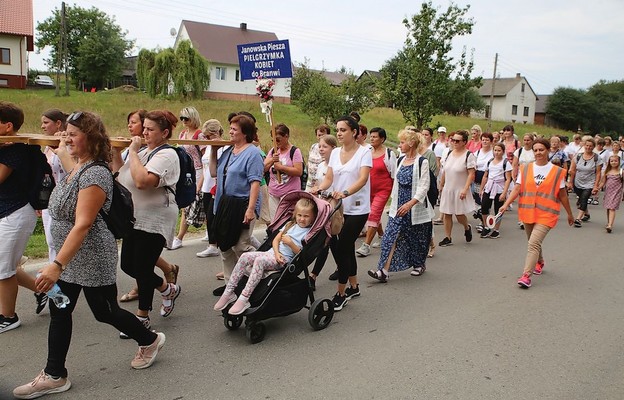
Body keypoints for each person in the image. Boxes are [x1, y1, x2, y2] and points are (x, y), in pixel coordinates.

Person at [13, 111, 166, 399]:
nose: (67, 137)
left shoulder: (95, 174)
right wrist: (62, 142)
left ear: (91, 138)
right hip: (70, 259)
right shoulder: (78, 165)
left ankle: (150, 340)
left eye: (74, 133)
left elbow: (83, 224)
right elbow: (64, 150)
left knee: (105, 312)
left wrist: (56, 264)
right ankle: (55, 374)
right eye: (65, 132)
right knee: (60, 309)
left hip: (91, 257)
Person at [115, 110, 182, 333]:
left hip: (156, 218)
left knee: (143, 268)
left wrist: (132, 151)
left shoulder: (167, 155)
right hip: (134, 217)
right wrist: (117, 153)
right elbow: (121, 175)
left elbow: (143, 181)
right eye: (144, 128)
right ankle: (166, 289)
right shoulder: (143, 151)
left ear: (164, 133)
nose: (144, 133)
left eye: (150, 129)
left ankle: (142, 317)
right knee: (127, 265)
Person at [213, 197, 317, 314]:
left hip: (284, 260)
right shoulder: (290, 225)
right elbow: (276, 240)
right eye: (299, 215)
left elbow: (302, 254)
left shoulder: (309, 233)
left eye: (306, 216)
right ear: (295, 215)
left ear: (313, 217)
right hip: (272, 254)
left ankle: (244, 298)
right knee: (244, 257)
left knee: (259, 261)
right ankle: (229, 291)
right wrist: (276, 253)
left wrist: (290, 244)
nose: (302, 219)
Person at [499, 138, 574, 289]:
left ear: (548, 150)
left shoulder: (557, 171)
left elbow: (563, 195)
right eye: (536, 150)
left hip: (546, 214)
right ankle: (539, 262)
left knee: (533, 243)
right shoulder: (525, 168)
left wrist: (570, 214)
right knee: (532, 241)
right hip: (528, 212)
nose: (538, 153)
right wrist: (505, 205)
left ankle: (526, 276)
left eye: (541, 150)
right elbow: (517, 188)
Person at [315, 115, 371, 311]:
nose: (338, 133)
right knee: (345, 249)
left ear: (354, 132)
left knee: (343, 248)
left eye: (343, 130)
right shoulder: (336, 152)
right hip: (338, 208)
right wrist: (317, 188)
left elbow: (363, 179)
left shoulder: (364, 153)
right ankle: (354, 287)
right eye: (337, 129)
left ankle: (341, 293)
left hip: (357, 207)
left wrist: (346, 192)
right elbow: (329, 178)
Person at [0, 102, 46, 333]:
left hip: (15, 213)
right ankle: (48, 291)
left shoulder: (15, 150)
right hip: (7, 214)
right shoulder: (5, 147)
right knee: (5, 266)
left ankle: (8, 317)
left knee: (3, 269)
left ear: (8, 126)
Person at [367, 129, 434, 281]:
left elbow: (424, 187)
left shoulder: (422, 162)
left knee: (416, 238)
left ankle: (419, 264)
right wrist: (393, 204)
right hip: (398, 207)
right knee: (390, 236)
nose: (400, 145)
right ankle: (383, 271)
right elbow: (395, 183)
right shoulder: (400, 160)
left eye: (402, 142)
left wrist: (410, 204)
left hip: (414, 207)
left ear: (411, 143)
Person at [209, 114, 263, 296]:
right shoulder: (228, 151)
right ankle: (230, 287)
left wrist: (250, 208)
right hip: (224, 205)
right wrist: (213, 150)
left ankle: (265, 267)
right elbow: (213, 172)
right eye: (230, 128)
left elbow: (255, 182)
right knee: (225, 248)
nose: (230, 132)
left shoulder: (252, 153)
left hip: (242, 205)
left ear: (245, 133)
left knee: (241, 246)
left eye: (234, 129)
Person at [170, 106, 206, 250]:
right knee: (187, 204)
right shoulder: (183, 133)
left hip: (198, 170)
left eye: (187, 118)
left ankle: (179, 237)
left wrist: (202, 179)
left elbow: (205, 158)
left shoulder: (199, 135)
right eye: (182, 118)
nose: (184, 121)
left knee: (201, 202)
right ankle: (180, 237)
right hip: (186, 172)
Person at [356, 127, 395, 257]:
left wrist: (394, 194)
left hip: (383, 190)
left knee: (374, 213)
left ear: (382, 139)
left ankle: (366, 246)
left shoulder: (389, 154)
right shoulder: (366, 152)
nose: (372, 139)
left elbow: (394, 175)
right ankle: (382, 235)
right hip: (368, 190)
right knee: (372, 214)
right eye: (371, 136)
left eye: (375, 137)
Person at [307, 134, 337, 289]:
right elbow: (317, 184)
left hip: (334, 207)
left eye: (325, 146)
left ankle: (313, 275)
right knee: (326, 241)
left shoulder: (337, 166)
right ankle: (314, 275)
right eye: (319, 146)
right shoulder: (320, 166)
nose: (321, 149)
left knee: (327, 242)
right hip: (321, 207)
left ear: (333, 148)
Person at [438, 130, 476, 246]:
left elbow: (471, 174)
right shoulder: (449, 153)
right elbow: (446, 170)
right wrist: (442, 184)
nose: (454, 142)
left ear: (464, 142)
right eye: (453, 140)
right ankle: (447, 237)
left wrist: (465, 189)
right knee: (447, 213)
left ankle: (466, 227)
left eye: (457, 141)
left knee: (459, 215)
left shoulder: (468, 155)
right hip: (448, 188)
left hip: (460, 189)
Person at [196, 119, 225, 258]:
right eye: (206, 137)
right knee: (209, 216)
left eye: (209, 136)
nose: (207, 139)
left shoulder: (224, 147)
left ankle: (214, 244)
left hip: (216, 186)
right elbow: (205, 167)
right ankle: (212, 244)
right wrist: (200, 184)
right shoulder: (208, 147)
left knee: (214, 216)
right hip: (207, 185)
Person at [264, 123, 303, 220]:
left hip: (289, 194)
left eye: (278, 139)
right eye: (273, 140)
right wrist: (272, 160)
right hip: (273, 193)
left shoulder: (295, 151)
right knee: (274, 220)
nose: (276, 142)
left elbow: (298, 171)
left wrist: (281, 168)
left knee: (285, 220)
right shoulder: (273, 151)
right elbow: (263, 168)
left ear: (286, 136)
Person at [479, 143, 512, 238]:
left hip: (499, 187)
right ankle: (486, 226)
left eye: (499, 150)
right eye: (495, 150)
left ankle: (496, 229)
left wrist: (504, 192)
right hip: (489, 186)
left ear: (503, 151)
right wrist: (482, 189)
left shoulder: (506, 163)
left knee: (498, 209)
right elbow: (485, 176)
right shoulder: (489, 162)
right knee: (484, 206)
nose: (497, 153)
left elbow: (508, 179)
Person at [567, 137, 602, 227]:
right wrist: (570, 182)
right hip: (577, 182)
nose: (588, 147)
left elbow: (598, 173)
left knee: (584, 198)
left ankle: (578, 219)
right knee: (581, 199)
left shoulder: (597, 158)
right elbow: (573, 170)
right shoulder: (578, 156)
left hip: (590, 182)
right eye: (587, 145)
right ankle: (587, 214)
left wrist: (596, 186)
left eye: (591, 146)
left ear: (593, 147)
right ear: (584, 146)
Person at [598, 155, 623, 233]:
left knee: (612, 208)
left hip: (617, 192)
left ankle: (610, 225)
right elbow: (603, 182)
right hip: (608, 192)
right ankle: (609, 222)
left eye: (615, 161)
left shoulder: (621, 172)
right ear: (609, 162)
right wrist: (597, 188)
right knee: (608, 208)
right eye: (612, 161)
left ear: (619, 162)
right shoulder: (607, 171)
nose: (613, 162)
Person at [306, 124, 331, 192]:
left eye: (323, 135)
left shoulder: (329, 149)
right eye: (319, 135)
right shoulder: (313, 146)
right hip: (310, 182)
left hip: (322, 183)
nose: (320, 137)